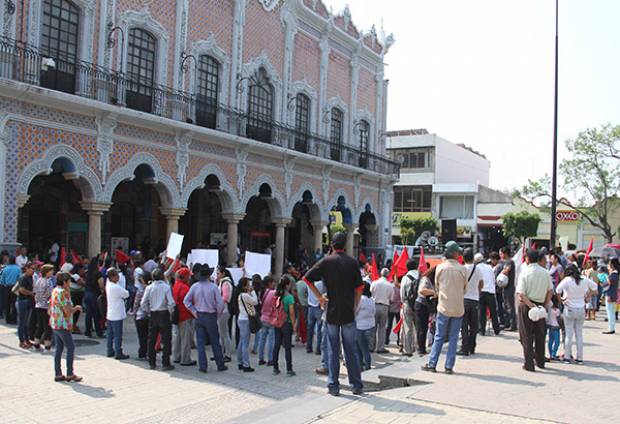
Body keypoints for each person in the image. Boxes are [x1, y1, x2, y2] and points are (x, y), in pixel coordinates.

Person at [304, 232, 364, 396]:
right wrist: (355, 304)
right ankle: (356, 385)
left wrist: (320, 298)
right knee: (351, 349)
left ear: (331, 245)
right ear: (345, 245)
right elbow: (359, 288)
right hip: (348, 312)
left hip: (331, 311)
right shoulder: (352, 262)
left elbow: (307, 278)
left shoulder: (326, 261)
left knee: (332, 349)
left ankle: (333, 386)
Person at [422, 241, 467, 374]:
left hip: (443, 307)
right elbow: (465, 289)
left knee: (439, 336)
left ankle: (432, 364)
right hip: (458, 308)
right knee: (453, 338)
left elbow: (437, 288)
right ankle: (448, 366)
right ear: (454, 253)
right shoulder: (463, 269)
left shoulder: (440, 268)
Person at [183, 263, 228, 373]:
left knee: (200, 343)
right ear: (209, 275)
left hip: (199, 315)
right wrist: (217, 314)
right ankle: (220, 364)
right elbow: (220, 304)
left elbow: (186, 301)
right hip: (211, 315)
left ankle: (203, 366)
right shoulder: (213, 287)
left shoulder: (194, 287)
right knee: (215, 342)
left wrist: (194, 311)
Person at [516, 249, 553, 372]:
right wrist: (544, 304)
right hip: (541, 305)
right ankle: (540, 361)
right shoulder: (545, 272)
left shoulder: (525, 273)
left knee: (526, 335)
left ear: (527, 259)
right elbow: (550, 290)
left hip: (527, 305)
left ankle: (529, 363)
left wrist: (531, 306)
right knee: (540, 334)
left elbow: (521, 294)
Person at [555, 264, 596, 364]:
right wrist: (588, 297)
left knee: (569, 334)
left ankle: (567, 357)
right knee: (579, 334)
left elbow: (557, 290)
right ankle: (580, 358)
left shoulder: (567, 280)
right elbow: (595, 288)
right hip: (581, 308)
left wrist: (561, 300)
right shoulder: (584, 279)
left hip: (569, 308)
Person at [49, 272, 82, 382]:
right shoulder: (63, 293)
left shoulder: (55, 290)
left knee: (59, 349)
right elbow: (67, 312)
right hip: (63, 324)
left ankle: (58, 373)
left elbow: (50, 307)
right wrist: (76, 308)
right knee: (70, 348)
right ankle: (70, 373)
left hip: (55, 323)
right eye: (68, 282)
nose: (69, 284)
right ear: (64, 282)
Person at [141, 267, 175, 371]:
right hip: (163, 313)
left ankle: (152, 362)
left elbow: (143, 303)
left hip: (153, 314)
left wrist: (148, 311)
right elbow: (171, 302)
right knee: (166, 340)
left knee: (152, 340)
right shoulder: (166, 287)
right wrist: (170, 312)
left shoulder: (149, 288)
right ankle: (165, 362)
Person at [458, 248, 483, 356]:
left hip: (464, 299)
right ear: (473, 258)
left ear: (463, 258)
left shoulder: (462, 269)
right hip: (475, 300)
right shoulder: (478, 269)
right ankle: (472, 347)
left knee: (464, 325)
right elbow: (481, 284)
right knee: (474, 326)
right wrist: (476, 291)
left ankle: (464, 348)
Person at [272, 276, 297, 376]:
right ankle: (289, 369)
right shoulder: (289, 297)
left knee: (276, 345)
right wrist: (294, 324)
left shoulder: (276, 294)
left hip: (277, 322)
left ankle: (275, 367)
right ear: (287, 284)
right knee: (287, 347)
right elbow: (291, 312)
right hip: (286, 323)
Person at [172, 267, 196, 366]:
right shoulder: (185, 288)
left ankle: (176, 356)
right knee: (185, 339)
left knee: (177, 338)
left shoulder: (176, 285)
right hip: (184, 315)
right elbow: (190, 302)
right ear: (185, 277)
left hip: (176, 315)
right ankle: (185, 359)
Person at [105, 267, 130, 360]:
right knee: (117, 335)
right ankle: (118, 351)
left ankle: (109, 350)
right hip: (117, 314)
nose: (118, 277)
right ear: (112, 277)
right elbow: (126, 294)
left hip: (110, 313)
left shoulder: (108, 285)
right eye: (116, 275)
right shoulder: (116, 287)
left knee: (110, 334)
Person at [475, 253, 501, 336]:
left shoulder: (477, 268)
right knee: (493, 312)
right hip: (490, 292)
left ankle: (482, 330)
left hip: (481, 291)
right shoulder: (489, 267)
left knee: (482, 312)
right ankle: (496, 329)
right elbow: (493, 279)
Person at [370, 268, 394, 353]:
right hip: (384, 306)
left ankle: (371, 346)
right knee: (382, 328)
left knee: (373, 327)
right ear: (388, 275)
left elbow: (370, 293)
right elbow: (391, 298)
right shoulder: (390, 285)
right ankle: (380, 347)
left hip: (374, 305)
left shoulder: (374, 283)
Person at [237, 277, 258, 372]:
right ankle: (246, 364)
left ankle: (240, 362)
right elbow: (255, 301)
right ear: (244, 286)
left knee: (241, 342)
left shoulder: (241, 295)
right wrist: (253, 292)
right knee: (245, 343)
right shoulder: (245, 295)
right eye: (248, 284)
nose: (250, 286)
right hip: (245, 320)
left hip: (241, 318)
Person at [415, 266, 437, 356]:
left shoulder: (431, 281)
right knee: (422, 328)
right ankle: (421, 349)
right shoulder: (426, 279)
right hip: (421, 305)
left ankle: (421, 347)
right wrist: (434, 292)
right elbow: (422, 291)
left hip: (425, 305)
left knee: (423, 327)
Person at [399, 258, 419, 357]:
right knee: (418, 327)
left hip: (408, 304)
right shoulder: (421, 276)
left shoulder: (405, 278)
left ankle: (408, 350)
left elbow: (402, 293)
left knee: (408, 327)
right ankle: (419, 347)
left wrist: (403, 302)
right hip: (419, 304)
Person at [32, 264, 54, 350]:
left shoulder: (38, 280)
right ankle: (47, 345)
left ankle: (36, 343)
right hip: (46, 306)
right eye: (51, 271)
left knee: (40, 325)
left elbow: (35, 292)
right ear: (47, 272)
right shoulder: (48, 282)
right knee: (47, 326)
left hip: (38, 305)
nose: (52, 272)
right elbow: (50, 294)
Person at [356, 282, 375, 370]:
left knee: (360, 349)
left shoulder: (360, 300)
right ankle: (365, 366)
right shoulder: (372, 299)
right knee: (365, 348)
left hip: (360, 327)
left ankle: (364, 367)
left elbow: (355, 311)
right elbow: (374, 312)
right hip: (370, 326)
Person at [15, 262, 35, 348]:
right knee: (22, 323)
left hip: (28, 302)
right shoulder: (23, 277)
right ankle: (21, 341)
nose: (33, 270)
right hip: (22, 301)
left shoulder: (30, 277)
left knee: (26, 323)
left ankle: (27, 340)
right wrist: (31, 293)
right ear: (26, 268)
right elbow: (21, 290)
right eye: (32, 268)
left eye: (34, 269)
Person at [216, 266, 234, 363]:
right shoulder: (222, 282)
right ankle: (221, 352)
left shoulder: (226, 283)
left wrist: (217, 302)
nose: (217, 275)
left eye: (218, 273)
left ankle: (227, 354)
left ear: (223, 273)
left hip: (223, 310)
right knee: (221, 333)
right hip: (222, 310)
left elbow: (225, 298)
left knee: (224, 333)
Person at [257, 276, 276, 366]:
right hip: (271, 318)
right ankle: (270, 359)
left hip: (263, 317)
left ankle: (260, 358)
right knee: (271, 340)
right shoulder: (273, 292)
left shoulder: (262, 292)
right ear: (270, 283)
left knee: (262, 339)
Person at [84, 258, 104, 338]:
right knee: (96, 314)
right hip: (95, 295)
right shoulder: (98, 274)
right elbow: (101, 285)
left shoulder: (87, 273)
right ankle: (99, 332)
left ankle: (87, 331)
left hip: (87, 293)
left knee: (88, 314)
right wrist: (102, 292)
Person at [498, 247, 517, 331]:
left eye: (501, 253)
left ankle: (513, 325)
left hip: (509, 287)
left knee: (510, 306)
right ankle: (507, 323)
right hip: (505, 287)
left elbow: (506, 270)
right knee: (505, 305)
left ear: (505, 253)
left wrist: (500, 272)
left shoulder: (510, 262)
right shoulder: (505, 262)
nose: (500, 255)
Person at [133, 270, 150, 360]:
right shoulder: (151, 289)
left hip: (140, 316)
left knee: (142, 336)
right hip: (149, 316)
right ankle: (147, 352)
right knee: (147, 336)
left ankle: (142, 353)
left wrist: (134, 314)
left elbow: (136, 305)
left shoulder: (141, 291)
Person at [306, 278, 325, 355]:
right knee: (319, 330)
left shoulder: (309, 283)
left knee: (310, 329)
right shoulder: (322, 284)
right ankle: (318, 349)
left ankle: (309, 347)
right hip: (318, 307)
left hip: (310, 307)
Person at [0, 255, 21, 323]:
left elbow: (2, 280)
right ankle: (14, 319)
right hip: (15, 287)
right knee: (14, 303)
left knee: (7, 303)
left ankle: (8, 319)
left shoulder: (5, 269)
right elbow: (20, 279)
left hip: (7, 287)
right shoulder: (18, 269)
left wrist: (4, 284)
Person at [602, 258, 619, 334]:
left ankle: (610, 329)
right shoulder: (615, 274)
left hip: (610, 295)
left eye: (609, 264)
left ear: (612, 265)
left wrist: (606, 277)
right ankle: (611, 328)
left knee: (610, 313)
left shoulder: (613, 274)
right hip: (612, 295)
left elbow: (608, 284)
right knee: (611, 312)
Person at [386, 274, 402, 347]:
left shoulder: (390, 286)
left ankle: (386, 339)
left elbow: (389, 298)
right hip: (398, 308)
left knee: (389, 325)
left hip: (391, 308)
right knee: (398, 325)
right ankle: (399, 340)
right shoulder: (400, 286)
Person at [546, 296, 561, 361]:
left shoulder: (549, 308)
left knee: (550, 341)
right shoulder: (557, 310)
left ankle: (550, 354)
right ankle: (554, 354)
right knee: (557, 342)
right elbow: (558, 319)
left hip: (550, 326)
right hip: (556, 327)